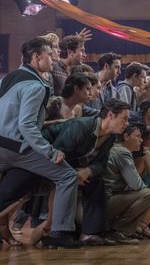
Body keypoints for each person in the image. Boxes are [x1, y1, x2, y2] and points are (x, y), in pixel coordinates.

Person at [0, 37, 80, 248]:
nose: (54, 59)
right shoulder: (36, 86)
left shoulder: (8, 78)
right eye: (50, 54)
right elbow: (27, 126)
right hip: (16, 149)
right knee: (68, 175)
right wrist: (50, 152)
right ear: (36, 57)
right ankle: (59, 233)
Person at [43, 98, 131, 246]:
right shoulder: (82, 125)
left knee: (96, 181)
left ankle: (90, 232)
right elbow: (58, 151)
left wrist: (87, 171)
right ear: (110, 115)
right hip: (44, 158)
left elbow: (102, 163)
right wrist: (74, 171)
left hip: (71, 167)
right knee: (73, 178)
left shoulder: (110, 137)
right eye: (125, 118)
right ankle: (59, 232)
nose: (127, 123)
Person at [103, 125, 150, 244]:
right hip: (106, 201)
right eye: (138, 136)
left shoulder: (115, 149)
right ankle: (118, 230)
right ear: (126, 136)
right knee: (147, 194)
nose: (141, 140)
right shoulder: (122, 152)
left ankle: (123, 230)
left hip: (101, 199)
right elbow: (136, 185)